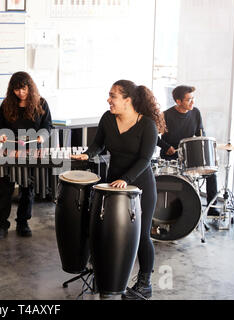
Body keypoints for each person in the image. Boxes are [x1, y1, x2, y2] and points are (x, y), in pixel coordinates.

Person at [72, 80, 166, 300]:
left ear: (127, 100)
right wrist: (88, 154)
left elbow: (145, 159)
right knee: (107, 232)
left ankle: (145, 284)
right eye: (109, 95)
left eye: (113, 96)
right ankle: (106, 277)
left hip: (140, 186)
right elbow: (99, 144)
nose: (109, 100)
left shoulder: (147, 125)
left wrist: (125, 179)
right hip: (113, 185)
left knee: (142, 236)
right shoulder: (107, 118)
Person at [0, 71, 52, 240]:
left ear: (30, 87)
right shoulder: (7, 104)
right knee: (5, 189)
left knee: (27, 189)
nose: (21, 93)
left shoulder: (41, 103)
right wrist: (1, 135)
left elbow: (47, 126)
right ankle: (1, 225)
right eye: (17, 90)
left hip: (31, 151)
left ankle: (23, 222)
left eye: (24, 89)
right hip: (10, 151)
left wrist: (41, 136)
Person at [157, 85, 219, 216]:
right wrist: (166, 146)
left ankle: (211, 208)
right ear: (178, 101)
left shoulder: (195, 112)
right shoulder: (165, 115)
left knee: (212, 173)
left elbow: (200, 133)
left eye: (193, 98)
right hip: (170, 158)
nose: (193, 102)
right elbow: (154, 137)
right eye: (189, 99)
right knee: (178, 183)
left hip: (189, 157)